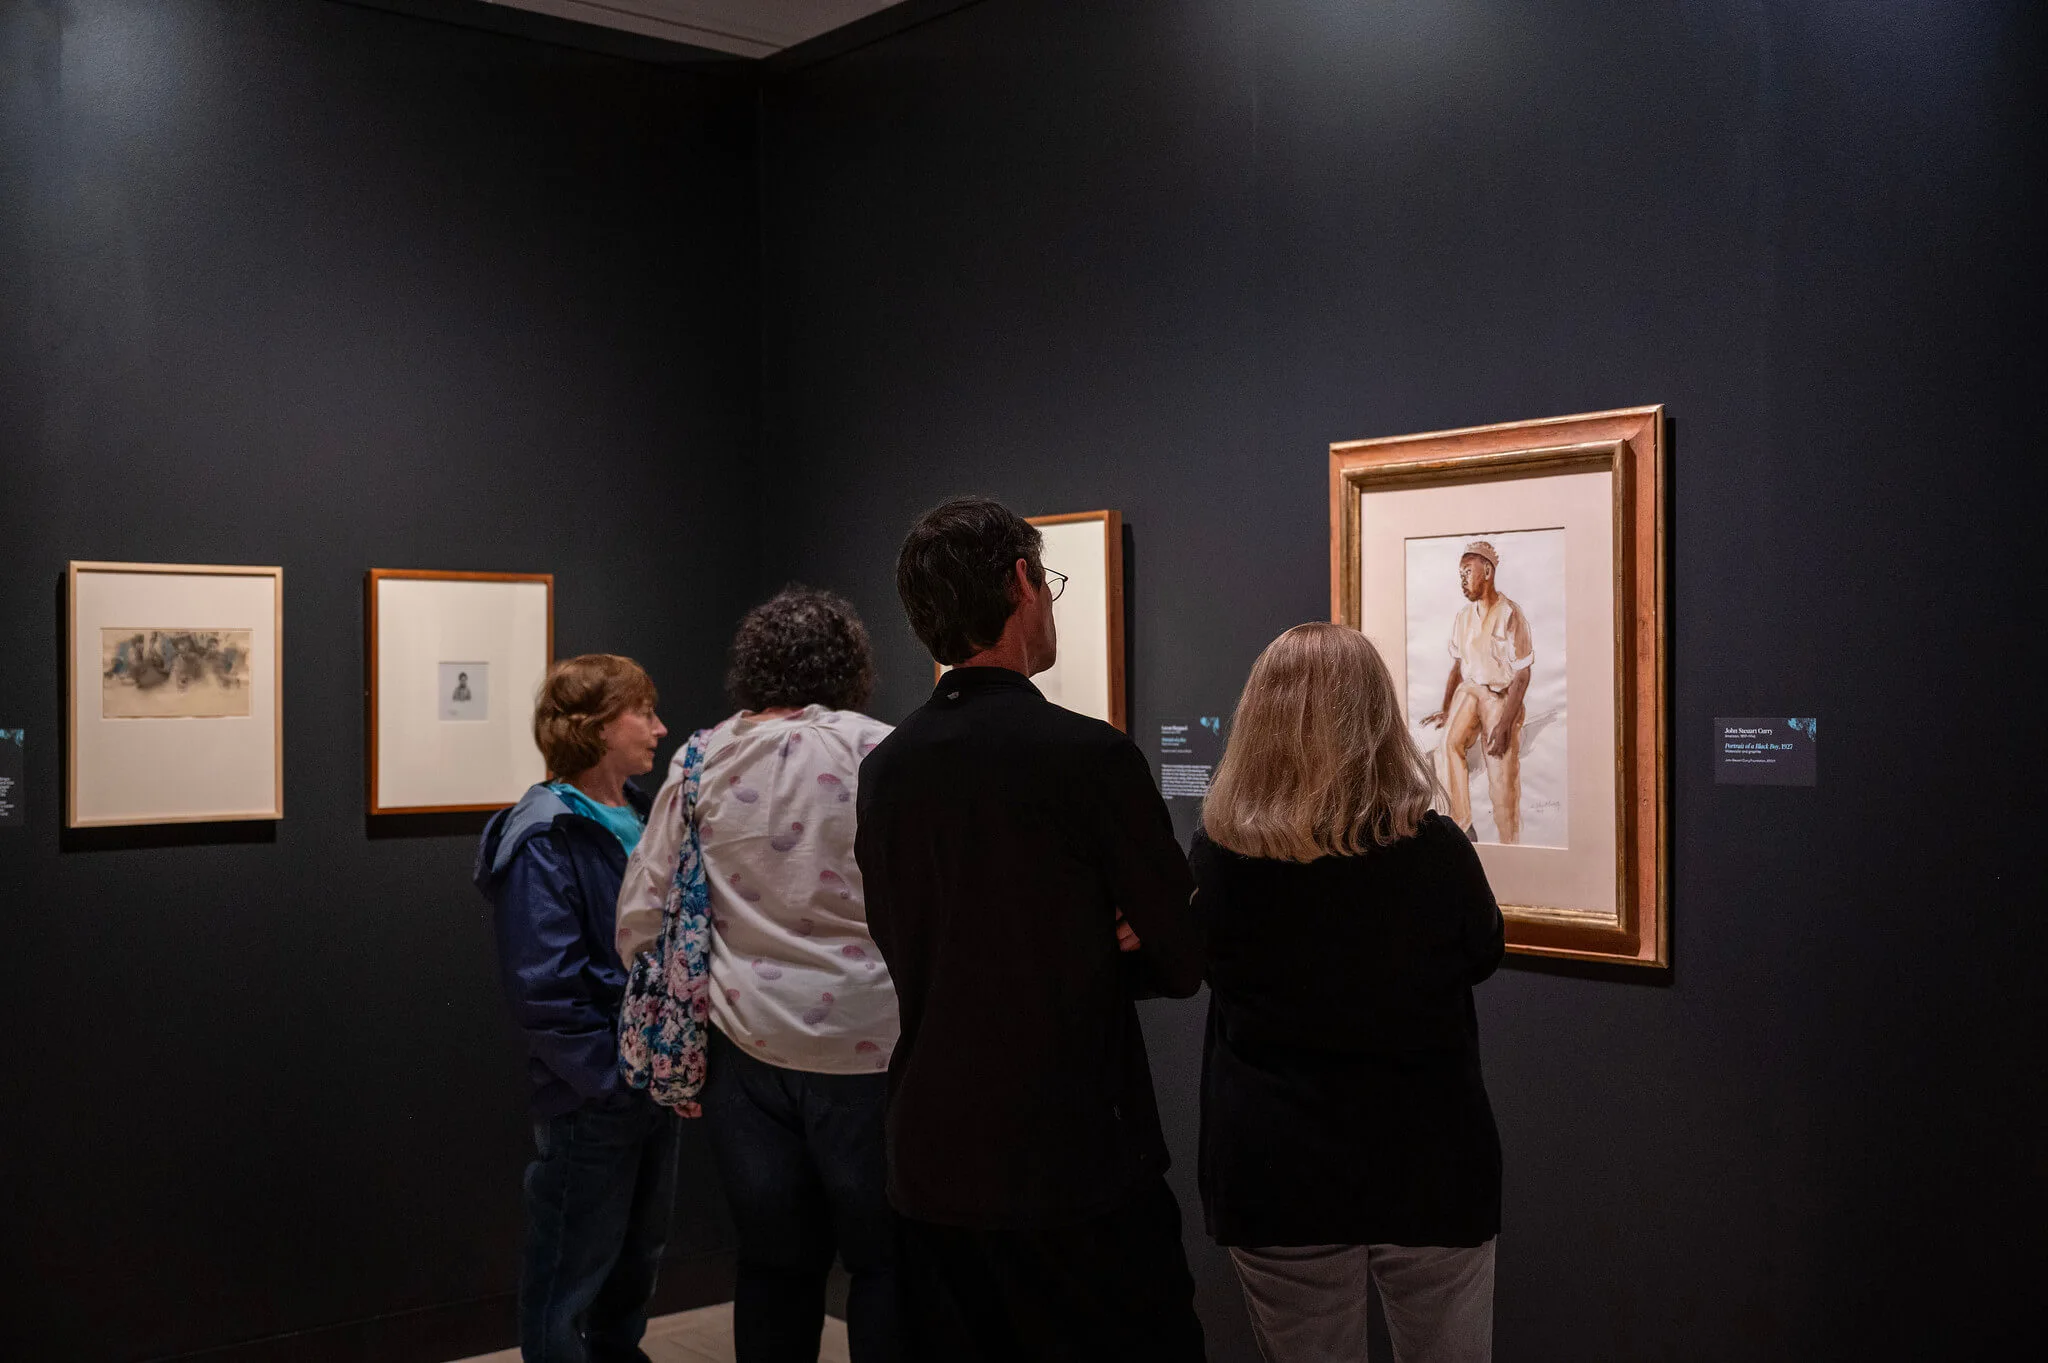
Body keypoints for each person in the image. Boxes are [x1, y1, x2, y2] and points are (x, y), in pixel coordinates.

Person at [855, 496, 1208, 1361]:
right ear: (1021, 584)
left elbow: (912, 935)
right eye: (1045, 580)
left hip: (931, 1155)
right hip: (1072, 1154)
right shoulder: (1090, 757)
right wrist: (1107, 936)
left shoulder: (887, 769)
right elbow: (1180, 951)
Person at [1194, 623, 1505, 1363]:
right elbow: (1484, 952)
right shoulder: (1436, 851)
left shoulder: (1223, 855)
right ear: (1378, 719)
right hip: (1430, 1162)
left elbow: (1202, 964)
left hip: (1278, 1170)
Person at [616, 587, 901, 1362]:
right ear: (849, 665)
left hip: (744, 1053)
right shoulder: (880, 749)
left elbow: (641, 911)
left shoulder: (702, 755)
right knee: (887, 1264)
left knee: (775, 1264)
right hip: (870, 1048)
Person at [474, 654, 678, 1363]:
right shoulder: (545, 833)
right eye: (642, 712)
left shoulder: (643, 814)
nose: (658, 728)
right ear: (593, 727)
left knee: (633, 1265)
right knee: (569, 1275)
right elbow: (546, 987)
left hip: (649, 1086)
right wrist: (610, 1078)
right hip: (594, 1095)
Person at [1420, 539, 1534, 843]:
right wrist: (1446, 709)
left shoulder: (1510, 613)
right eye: (1460, 574)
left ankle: (1510, 841)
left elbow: (1522, 674)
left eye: (1467, 572)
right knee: (1449, 744)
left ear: (1487, 571)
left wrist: (1505, 723)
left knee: (1500, 767)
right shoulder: (1463, 617)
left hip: (1502, 694)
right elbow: (1457, 669)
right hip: (1472, 691)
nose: (1462, 580)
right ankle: (1462, 824)